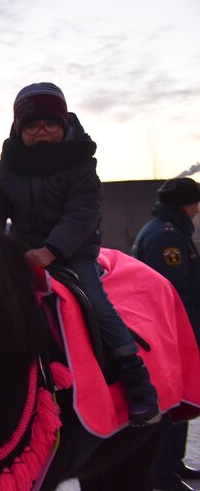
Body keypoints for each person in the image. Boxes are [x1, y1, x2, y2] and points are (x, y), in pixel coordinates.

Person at [0, 82, 160, 426]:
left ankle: (135, 376)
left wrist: (51, 250)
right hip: (22, 249)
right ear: (19, 129)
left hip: (72, 251)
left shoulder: (80, 162)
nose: (42, 131)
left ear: (63, 125)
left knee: (95, 300)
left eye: (50, 123)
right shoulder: (10, 164)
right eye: (32, 125)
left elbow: (83, 213)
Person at [133, 177, 200, 491]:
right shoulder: (165, 237)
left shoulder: (168, 231)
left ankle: (173, 462)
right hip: (171, 334)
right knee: (173, 401)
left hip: (176, 332)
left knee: (183, 397)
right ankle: (162, 471)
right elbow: (174, 293)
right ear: (186, 204)